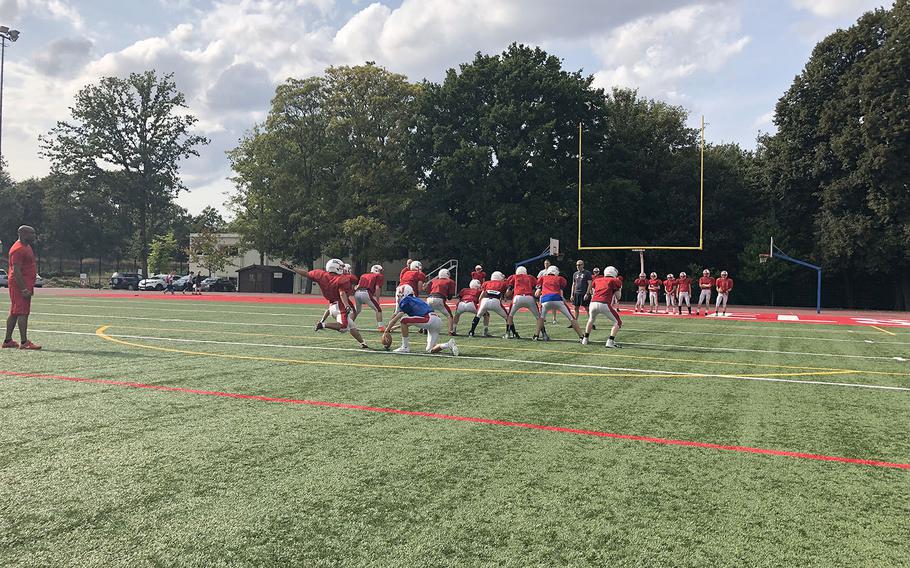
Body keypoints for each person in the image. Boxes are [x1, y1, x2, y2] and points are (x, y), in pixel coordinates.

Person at [281, 258, 369, 348]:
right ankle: (323, 325)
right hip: (340, 305)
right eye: (340, 267)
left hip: (332, 306)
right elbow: (342, 293)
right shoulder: (341, 279)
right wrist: (347, 305)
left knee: (352, 326)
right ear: (335, 268)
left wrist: (292, 268)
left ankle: (363, 342)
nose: (342, 269)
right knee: (343, 328)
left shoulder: (321, 275)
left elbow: (306, 274)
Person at [383, 285, 458, 355]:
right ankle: (448, 344)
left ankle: (405, 347)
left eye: (400, 294)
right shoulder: (416, 300)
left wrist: (386, 330)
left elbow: (396, 318)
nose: (399, 296)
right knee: (430, 350)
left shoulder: (406, 301)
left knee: (403, 320)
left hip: (428, 319)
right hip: (436, 320)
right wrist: (397, 327)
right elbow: (415, 321)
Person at [3, 225, 41, 350]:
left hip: (24, 284)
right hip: (20, 285)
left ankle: (8, 341)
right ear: (23, 234)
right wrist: (23, 288)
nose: (34, 236)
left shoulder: (26, 246)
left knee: (14, 312)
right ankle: (24, 342)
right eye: (32, 233)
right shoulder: (18, 249)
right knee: (22, 312)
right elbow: (16, 271)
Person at [534, 265, 584, 341]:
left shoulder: (542, 278)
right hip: (557, 299)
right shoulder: (560, 278)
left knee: (541, 318)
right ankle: (581, 337)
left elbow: (537, 293)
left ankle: (536, 336)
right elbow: (561, 290)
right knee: (571, 318)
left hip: (545, 300)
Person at [582, 266, 623, 348]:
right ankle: (610, 341)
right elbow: (618, 297)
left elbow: (593, 291)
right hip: (604, 303)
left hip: (593, 303)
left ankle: (585, 339)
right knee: (618, 322)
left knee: (591, 320)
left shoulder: (597, 280)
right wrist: (619, 289)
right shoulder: (615, 280)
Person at [469, 271, 509, 337]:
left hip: (484, 301)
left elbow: (481, 296)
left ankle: (471, 332)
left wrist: (480, 304)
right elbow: (504, 294)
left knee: (478, 316)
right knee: (507, 317)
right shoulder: (503, 283)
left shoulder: (486, 283)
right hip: (495, 301)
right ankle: (508, 333)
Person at [505, 266, 538, 339]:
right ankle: (542, 333)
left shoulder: (514, 277)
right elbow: (536, 287)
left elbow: (509, 290)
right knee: (538, 317)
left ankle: (507, 333)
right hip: (529, 297)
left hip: (518, 297)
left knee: (510, 316)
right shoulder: (530, 277)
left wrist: (506, 296)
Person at [354, 264, 385, 331]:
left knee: (357, 310)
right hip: (366, 293)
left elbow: (357, 286)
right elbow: (377, 288)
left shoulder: (363, 275)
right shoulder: (378, 276)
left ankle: (348, 324)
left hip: (357, 293)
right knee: (378, 310)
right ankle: (381, 327)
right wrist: (377, 300)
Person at [426, 268, 457, 334]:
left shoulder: (433, 281)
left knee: (427, 314)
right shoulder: (450, 281)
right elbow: (450, 297)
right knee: (450, 316)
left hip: (429, 298)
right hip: (439, 299)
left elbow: (428, 291)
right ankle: (451, 331)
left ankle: (423, 328)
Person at [537, 259, 558, 324]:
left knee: (553, 305)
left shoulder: (553, 271)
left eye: (547, 263)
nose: (546, 265)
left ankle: (554, 319)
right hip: (543, 290)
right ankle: (543, 317)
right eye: (545, 263)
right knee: (542, 305)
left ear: (550, 264)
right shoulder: (542, 272)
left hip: (551, 290)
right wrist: (538, 289)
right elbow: (538, 280)